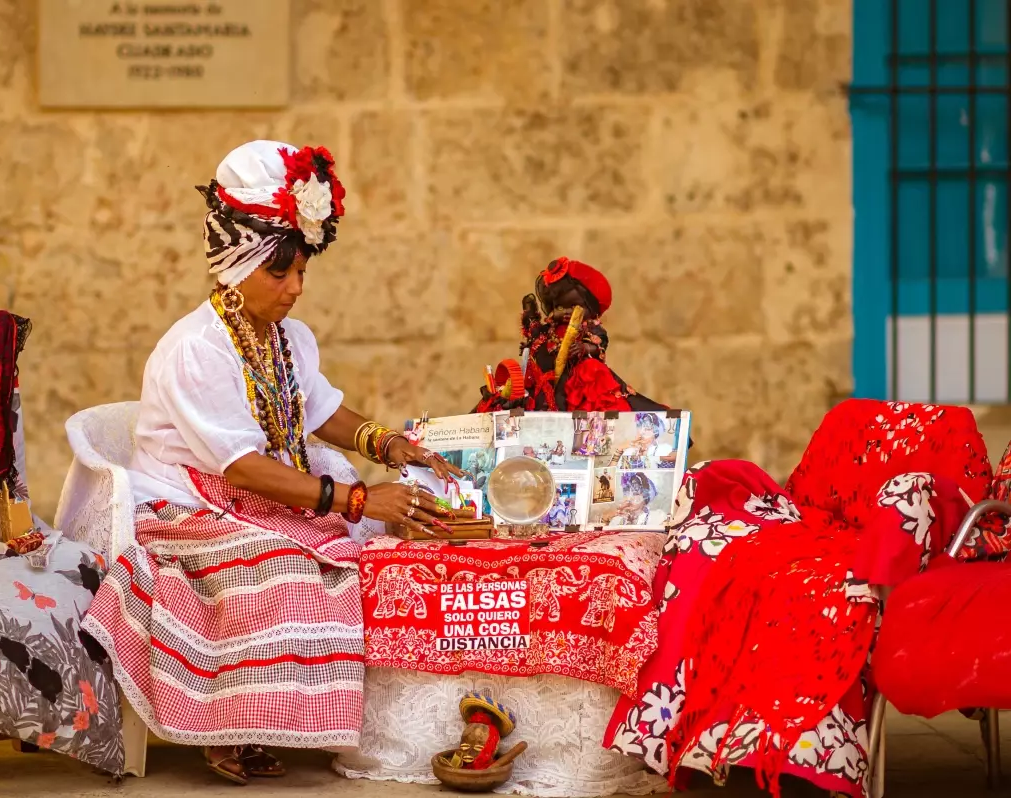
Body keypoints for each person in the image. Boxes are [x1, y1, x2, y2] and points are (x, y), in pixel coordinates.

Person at [80, 140, 460, 785]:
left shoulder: (288, 339)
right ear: (236, 265)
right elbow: (243, 468)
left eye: (302, 273)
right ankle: (227, 723)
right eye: (279, 274)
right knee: (289, 567)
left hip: (258, 487)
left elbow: (319, 411)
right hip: (187, 504)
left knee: (372, 549)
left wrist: (387, 444)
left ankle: (329, 718)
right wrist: (360, 498)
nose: (294, 289)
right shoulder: (198, 349)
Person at [474, 258, 673, 414]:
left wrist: (586, 348)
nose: (566, 312)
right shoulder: (549, 329)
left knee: (591, 372)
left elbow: (600, 343)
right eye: (560, 306)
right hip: (539, 386)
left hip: (571, 386)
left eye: (573, 306)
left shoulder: (588, 328)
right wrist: (531, 329)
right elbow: (534, 336)